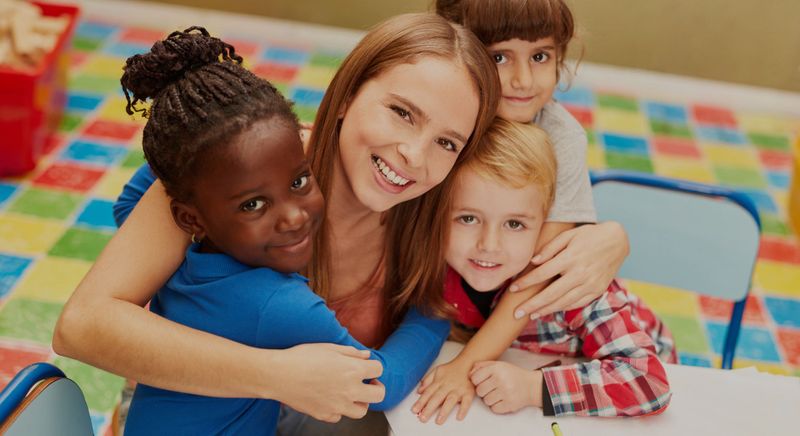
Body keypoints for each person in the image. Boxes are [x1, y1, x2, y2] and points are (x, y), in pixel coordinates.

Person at [52, 10, 623, 434]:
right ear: (347, 94)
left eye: (447, 141)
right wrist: (273, 375)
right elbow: (80, 326)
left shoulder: (433, 216)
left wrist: (609, 237)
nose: (414, 156)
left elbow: (531, 192)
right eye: (402, 112)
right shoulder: (244, 174)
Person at [114, 26, 452, 435]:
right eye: (252, 204)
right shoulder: (281, 302)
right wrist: (432, 314)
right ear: (190, 218)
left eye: (298, 182)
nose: (293, 217)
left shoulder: (183, 267)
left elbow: (128, 203)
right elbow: (379, 383)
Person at [410, 0, 632, 422]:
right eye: (499, 57)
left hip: (533, 336)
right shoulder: (439, 116)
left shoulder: (561, 138)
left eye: (541, 56)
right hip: (458, 317)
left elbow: (533, 278)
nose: (523, 79)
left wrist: (464, 366)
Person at [415, 119, 675, 422]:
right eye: (468, 218)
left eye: (514, 224)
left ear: (546, 226)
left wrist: (534, 389)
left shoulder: (572, 286)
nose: (489, 244)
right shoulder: (433, 268)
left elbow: (649, 382)